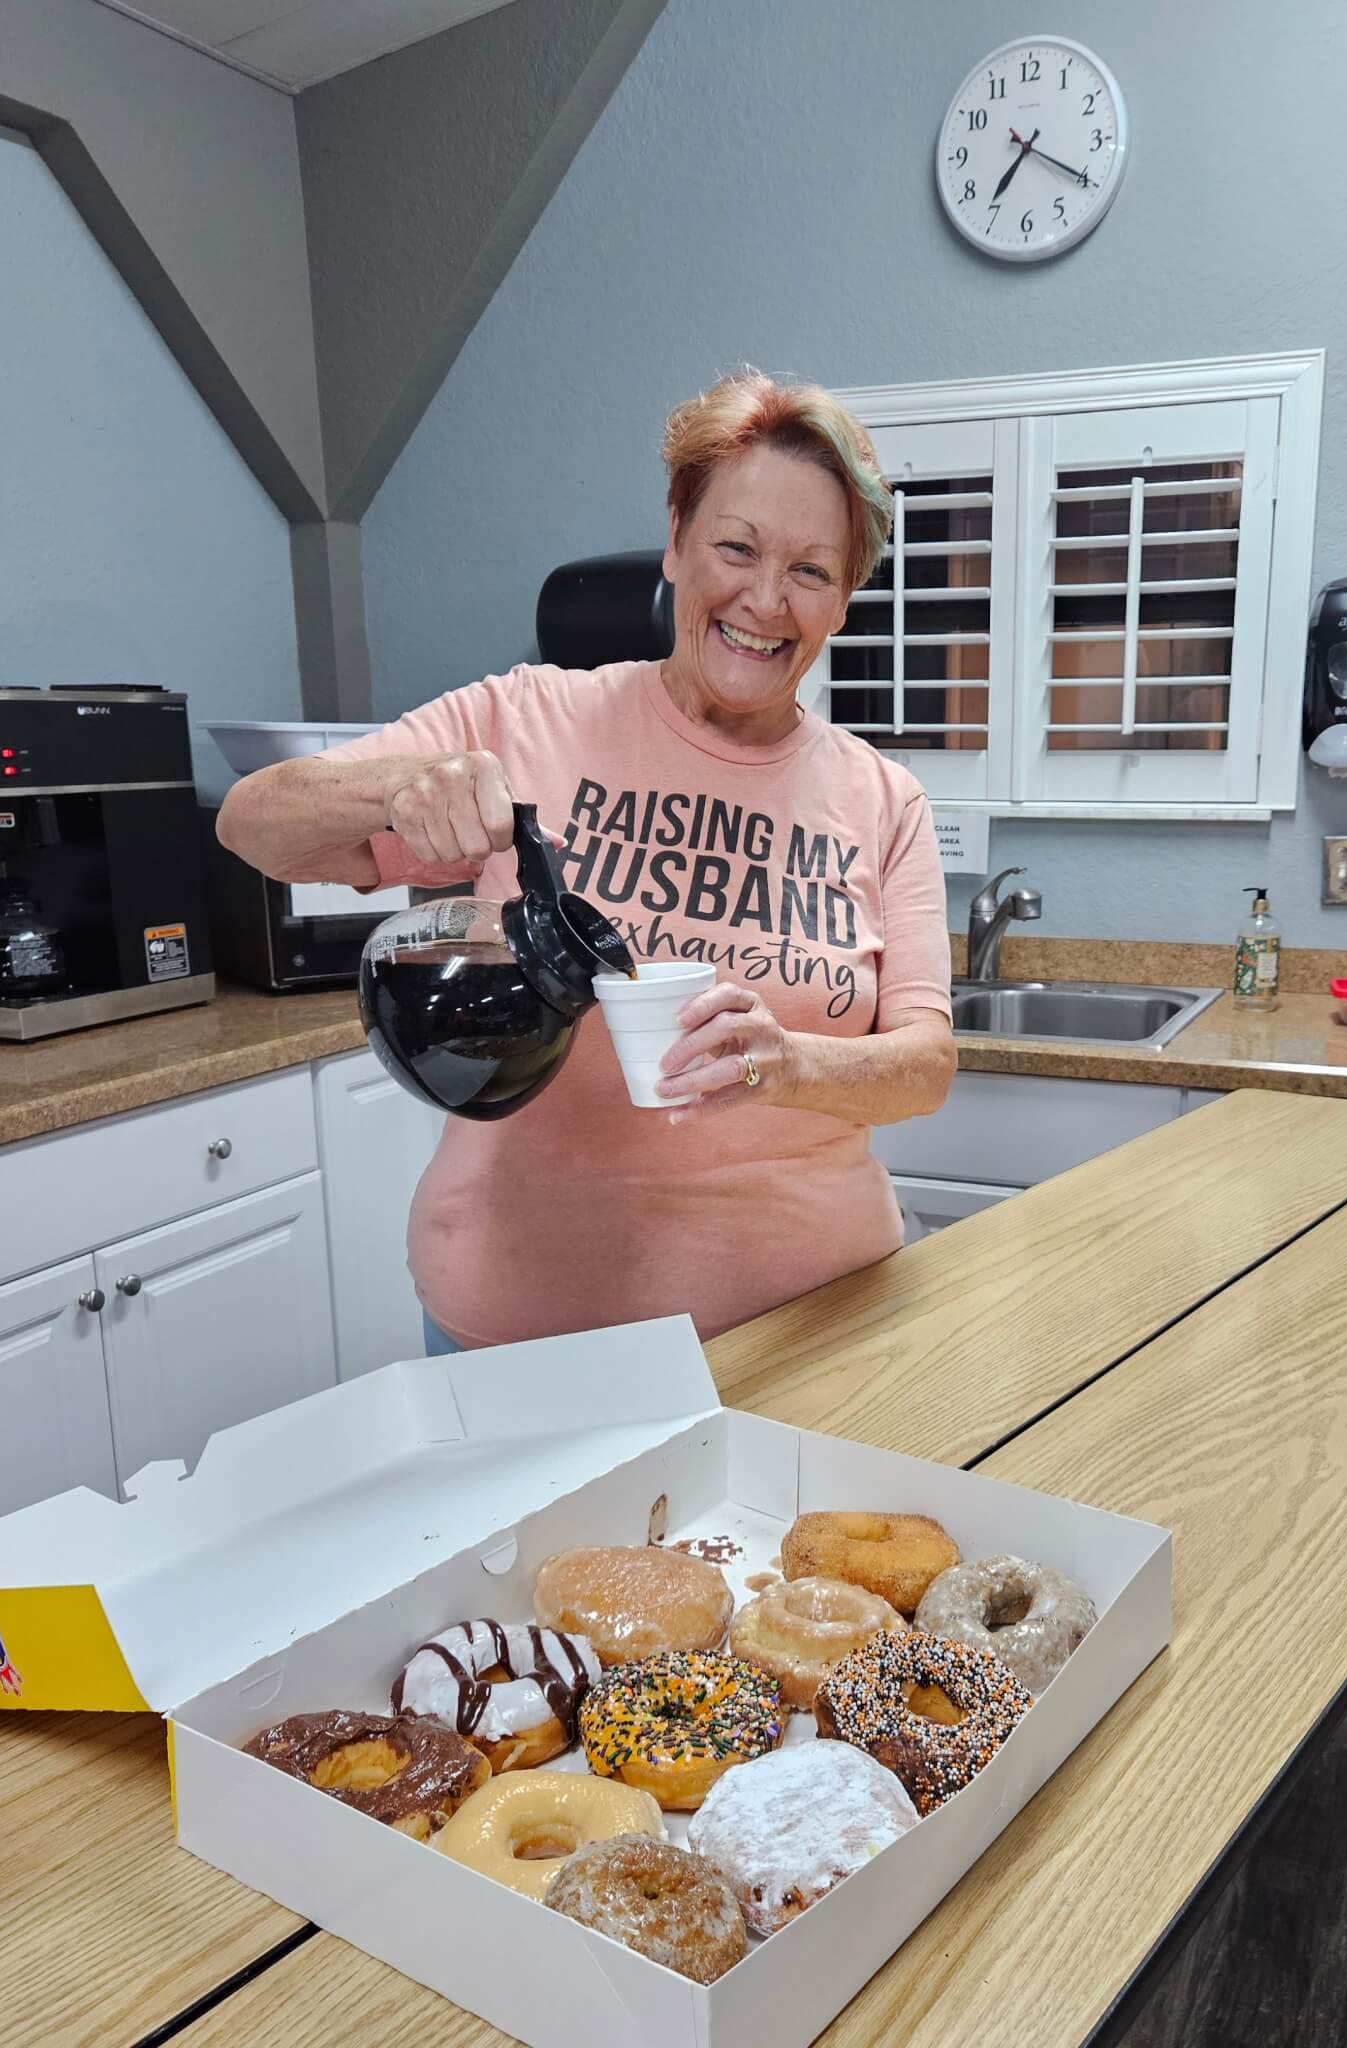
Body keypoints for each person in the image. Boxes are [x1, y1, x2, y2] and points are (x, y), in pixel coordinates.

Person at [217, 370, 955, 1351]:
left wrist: (789, 1061)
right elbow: (251, 821)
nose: (764, 600)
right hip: (522, 1340)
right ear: (678, 540)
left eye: (811, 570)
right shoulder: (521, 718)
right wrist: (398, 789)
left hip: (806, 1334)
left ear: (844, 599)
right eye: (735, 547)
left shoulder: (882, 799)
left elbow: (924, 1066)